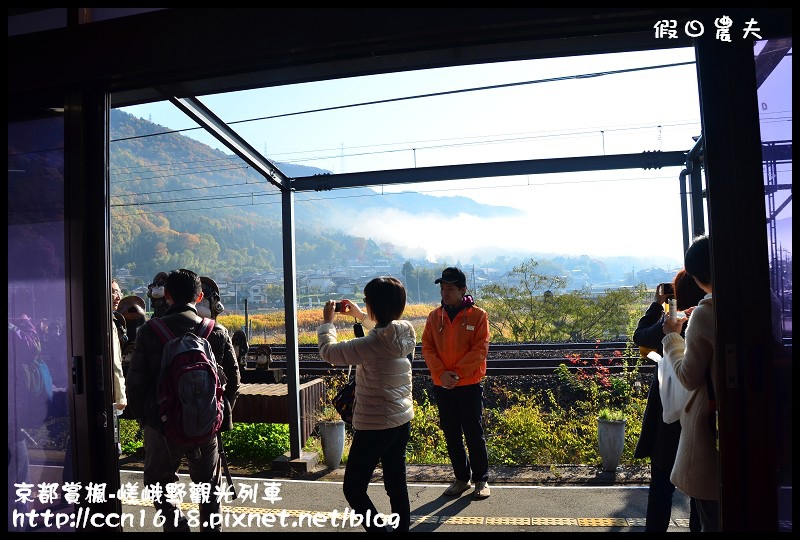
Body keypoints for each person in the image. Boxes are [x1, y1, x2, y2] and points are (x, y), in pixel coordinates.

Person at [126, 268, 241, 532]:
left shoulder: (149, 331)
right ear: (200, 296)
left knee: (159, 485)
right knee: (209, 491)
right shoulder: (217, 331)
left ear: (166, 296)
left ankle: (177, 525)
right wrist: (218, 415)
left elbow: (136, 382)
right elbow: (234, 381)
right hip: (206, 429)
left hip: (162, 426)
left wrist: (147, 420)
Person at [316, 277, 416, 533]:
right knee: (396, 483)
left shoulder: (371, 344)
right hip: (401, 420)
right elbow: (382, 332)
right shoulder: (404, 333)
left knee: (353, 488)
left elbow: (329, 352)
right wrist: (361, 315)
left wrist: (328, 322)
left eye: (366, 302)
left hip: (375, 426)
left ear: (374, 305)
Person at [633, 269, 704, 532]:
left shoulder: (673, 323)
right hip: (698, 412)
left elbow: (639, 336)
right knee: (700, 494)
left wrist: (656, 304)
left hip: (667, 415)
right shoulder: (706, 317)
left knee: (660, 488)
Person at [661, 235, 719, 532]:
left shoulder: (707, 313)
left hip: (711, 435)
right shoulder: (763, 300)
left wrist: (672, 336)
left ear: (699, 276)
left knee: (713, 520)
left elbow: (688, 376)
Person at [421, 267, 491, 499]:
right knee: (451, 434)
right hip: (443, 385)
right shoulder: (434, 317)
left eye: (450, 289)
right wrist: (441, 375)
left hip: (468, 384)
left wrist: (456, 374)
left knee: (473, 433)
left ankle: (481, 479)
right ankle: (462, 478)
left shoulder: (478, 316)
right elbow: (428, 349)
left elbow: (480, 349)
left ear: (463, 290)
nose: (445, 293)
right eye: (442, 288)